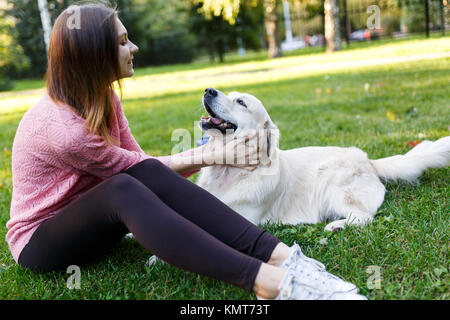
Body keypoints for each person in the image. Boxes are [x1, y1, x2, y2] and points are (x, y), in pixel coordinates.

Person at [6, 1, 366, 300]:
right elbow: (130, 175)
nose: (134, 49)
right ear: (94, 56)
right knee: (124, 187)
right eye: (122, 42)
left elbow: (146, 169)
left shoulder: (105, 98)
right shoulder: (66, 131)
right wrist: (214, 155)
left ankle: (285, 257)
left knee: (138, 179)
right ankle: (265, 281)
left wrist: (206, 157)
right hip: (44, 243)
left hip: (97, 223)